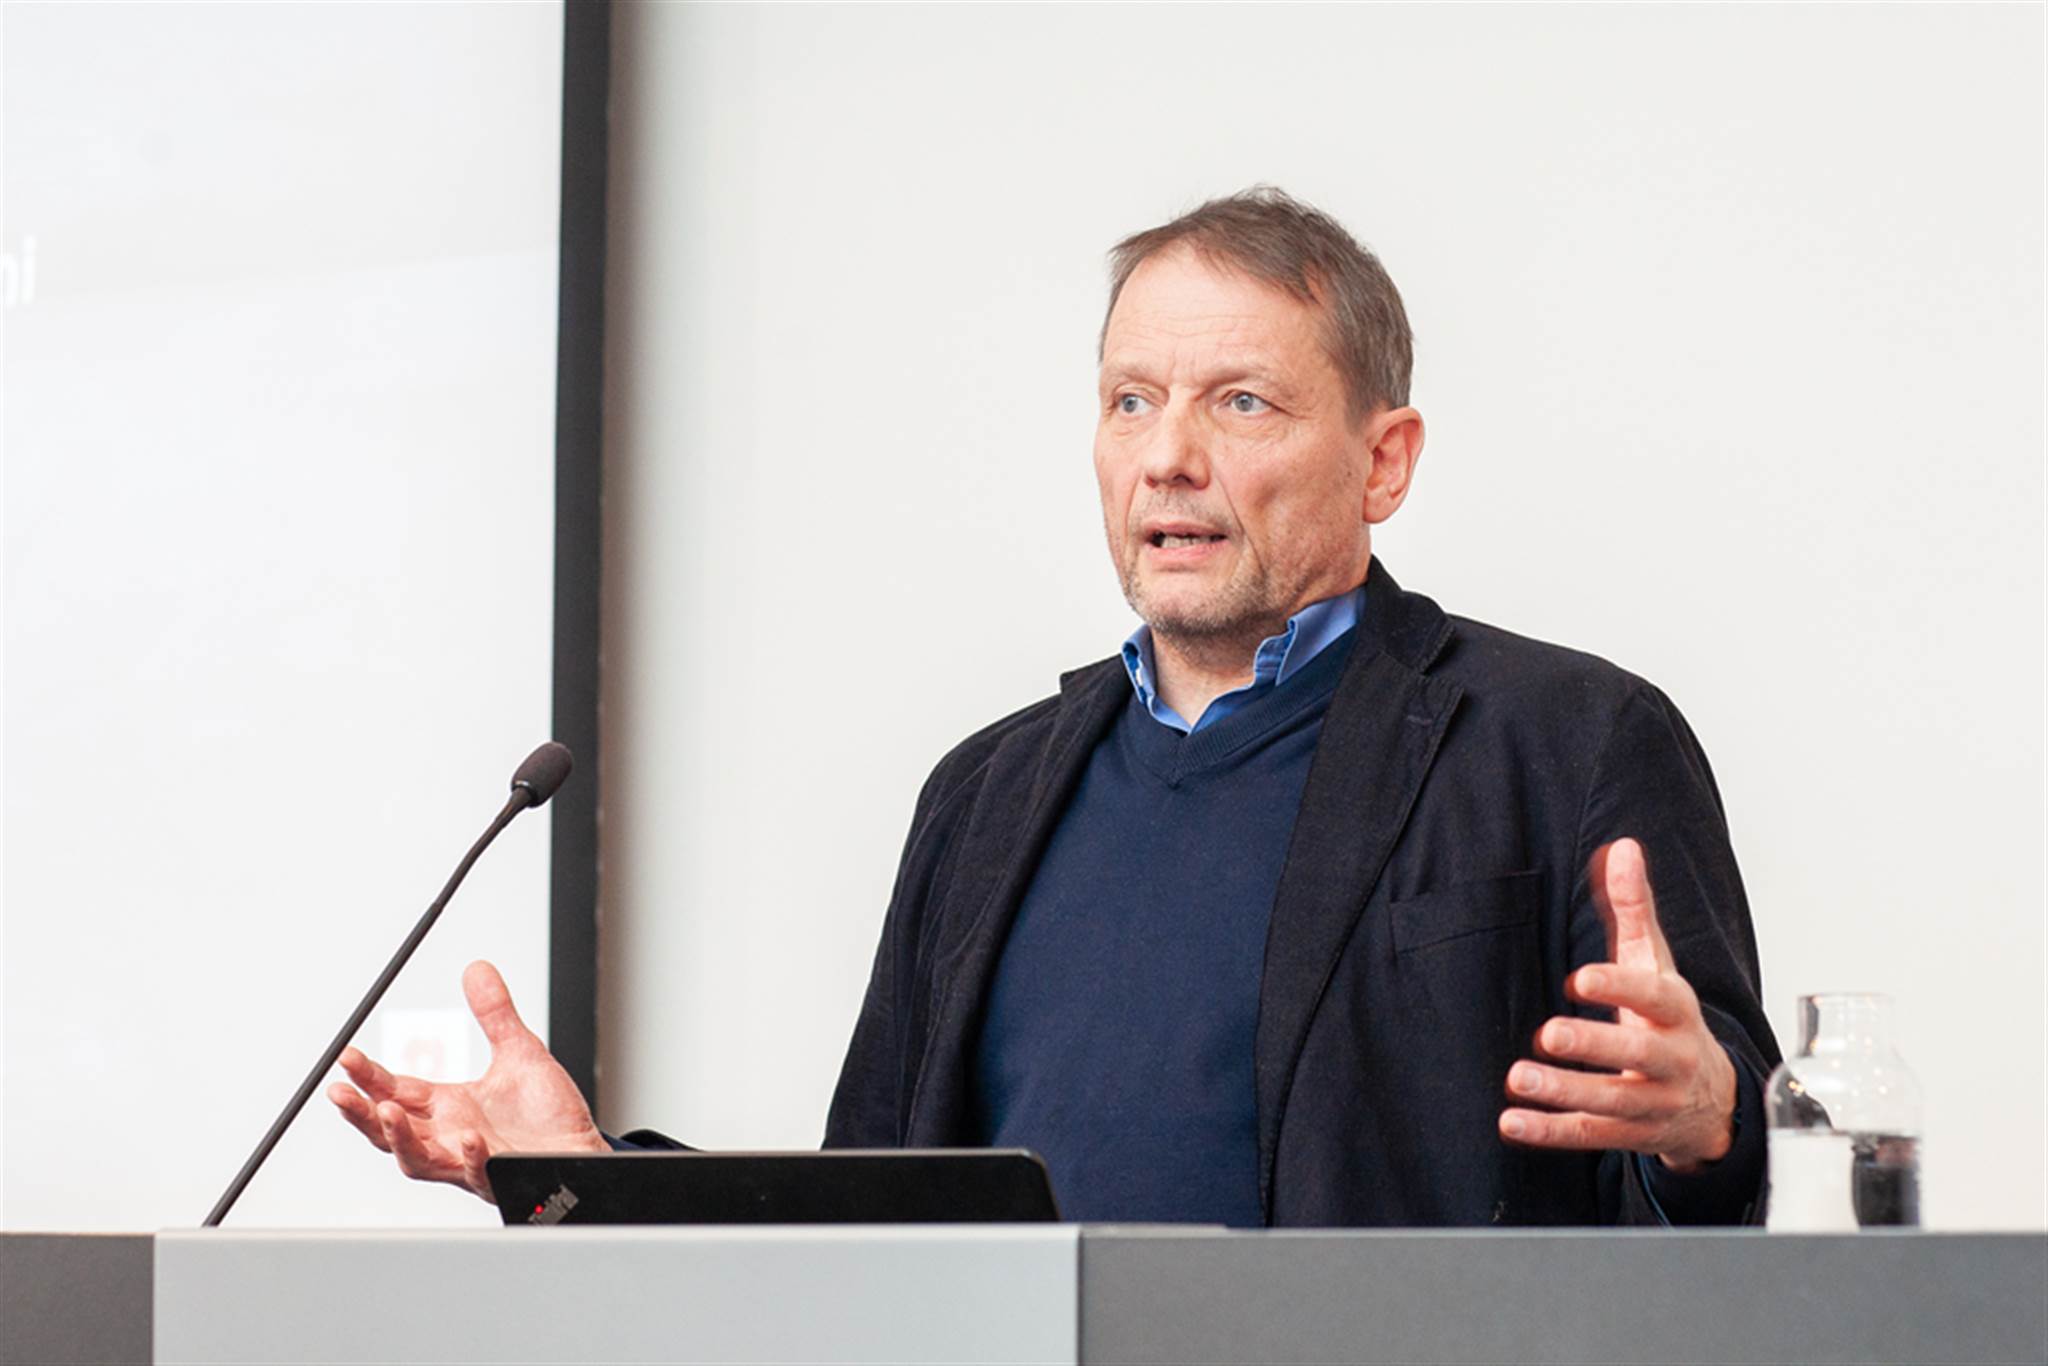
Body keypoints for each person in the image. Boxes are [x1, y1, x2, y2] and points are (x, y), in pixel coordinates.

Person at [330, 188, 1779, 1227]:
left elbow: (1741, 1162)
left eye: (1242, 403)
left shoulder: (1567, 740)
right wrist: (583, 1175)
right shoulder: (985, 796)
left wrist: (1709, 1120)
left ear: (1383, 461)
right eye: (1131, 400)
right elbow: (863, 1225)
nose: (1168, 458)